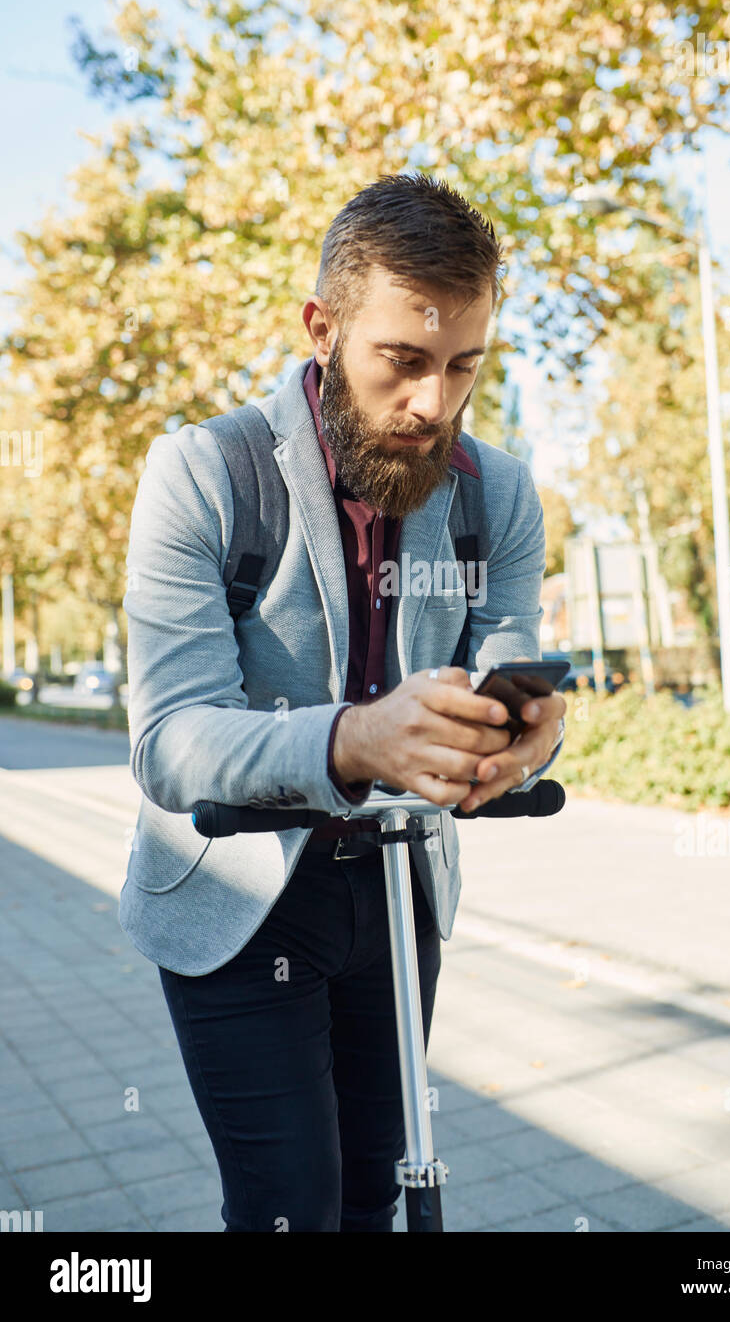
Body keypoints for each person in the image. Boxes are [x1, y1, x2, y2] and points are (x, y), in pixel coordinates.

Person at [119, 171, 567, 1232]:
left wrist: (527, 742)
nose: (433, 403)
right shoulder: (202, 472)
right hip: (238, 887)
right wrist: (357, 738)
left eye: (464, 367)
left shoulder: (496, 492)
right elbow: (171, 744)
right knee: (291, 1206)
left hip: (399, 889)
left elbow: (511, 672)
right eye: (402, 362)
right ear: (322, 327)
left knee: (378, 1190)